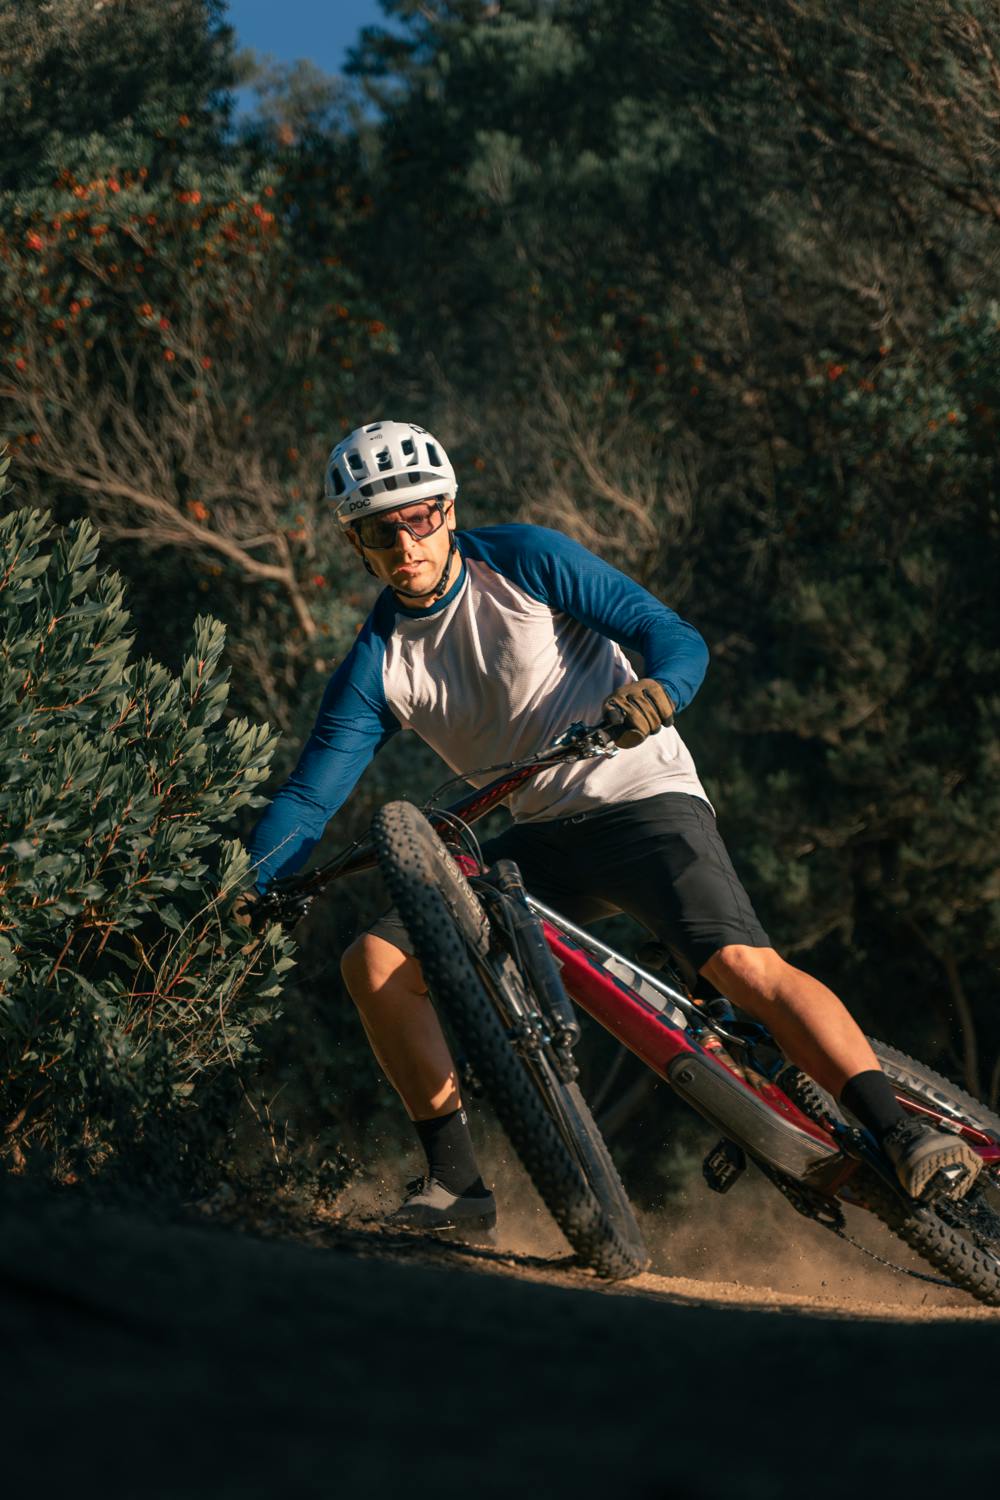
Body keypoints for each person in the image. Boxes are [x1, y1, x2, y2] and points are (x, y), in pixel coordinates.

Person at [246, 419, 980, 1236]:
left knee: (742, 966)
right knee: (375, 962)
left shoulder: (524, 558)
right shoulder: (379, 662)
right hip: (539, 842)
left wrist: (660, 691)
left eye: (420, 516)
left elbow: (673, 636)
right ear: (357, 543)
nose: (407, 541)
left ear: (449, 509)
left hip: (642, 797)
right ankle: (457, 1185)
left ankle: (903, 1130)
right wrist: (254, 886)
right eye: (383, 530)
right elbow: (309, 802)